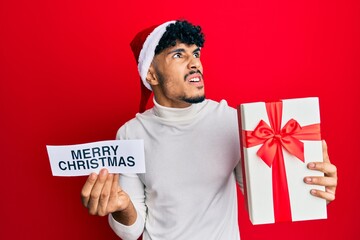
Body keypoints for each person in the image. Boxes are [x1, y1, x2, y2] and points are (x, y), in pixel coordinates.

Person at [81, 20, 338, 240]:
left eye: (196, 53)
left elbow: (264, 200)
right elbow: (130, 231)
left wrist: (313, 191)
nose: (195, 63)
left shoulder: (232, 121)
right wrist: (121, 206)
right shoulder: (130, 134)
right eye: (178, 55)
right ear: (151, 74)